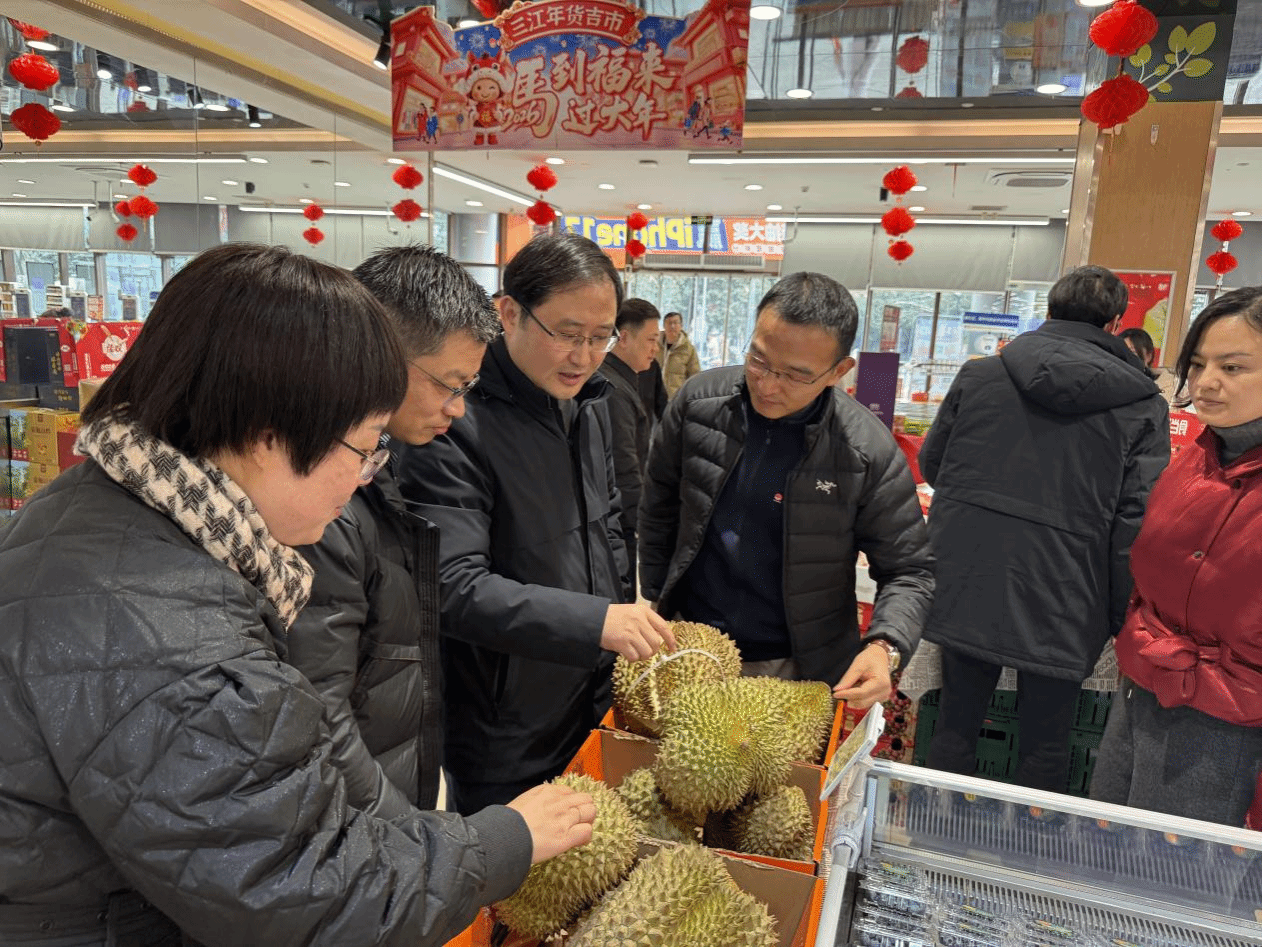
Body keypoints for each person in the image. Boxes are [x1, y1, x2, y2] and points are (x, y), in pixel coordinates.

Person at [0, 243, 595, 947]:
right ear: (267, 436)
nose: (363, 478)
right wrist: (503, 840)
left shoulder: (94, 507)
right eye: (364, 447)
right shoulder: (176, 642)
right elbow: (307, 893)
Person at [400, 233, 675, 816]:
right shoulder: (453, 421)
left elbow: (609, 526)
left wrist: (619, 619)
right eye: (568, 334)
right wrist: (596, 621)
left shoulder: (590, 403)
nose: (584, 356)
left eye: (601, 338)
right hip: (504, 725)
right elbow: (451, 586)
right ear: (509, 313)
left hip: (591, 694)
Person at [918, 265, 1169, 793]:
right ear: (1115, 322)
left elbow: (934, 466)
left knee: (955, 725)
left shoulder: (981, 376)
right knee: (1047, 743)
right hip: (1069, 587)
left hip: (970, 569)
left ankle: (932, 827)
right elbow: (1135, 520)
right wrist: (1117, 611)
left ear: (1049, 310)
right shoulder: (1142, 405)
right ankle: (1031, 839)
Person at [638, 271, 933, 706]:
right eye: (758, 360)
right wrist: (658, 597)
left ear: (838, 372)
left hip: (796, 667)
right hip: (689, 645)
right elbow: (659, 503)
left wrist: (884, 647)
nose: (768, 385)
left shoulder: (866, 451)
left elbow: (910, 571)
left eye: (795, 376)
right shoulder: (698, 405)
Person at [286, 245, 500, 819]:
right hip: (361, 822)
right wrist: (412, 839)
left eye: (468, 387)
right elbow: (319, 717)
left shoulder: (383, 463)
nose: (458, 409)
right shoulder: (319, 501)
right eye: (450, 384)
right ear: (378, 351)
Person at [1091, 286, 1262, 825]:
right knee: (1102, 841)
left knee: (1176, 867)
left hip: (1230, 719)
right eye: (1198, 363)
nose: (1206, 381)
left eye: (1233, 367)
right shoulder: (1193, 459)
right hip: (1143, 686)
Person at [599, 298, 662, 586]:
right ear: (623, 338)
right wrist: (643, 523)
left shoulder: (622, 379)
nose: (655, 348)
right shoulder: (613, 388)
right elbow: (624, 463)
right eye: (651, 339)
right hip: (616, 520)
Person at [1119, 326, 1180, 402]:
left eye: (1132, 352)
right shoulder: (1113, 379)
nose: (1126, 357)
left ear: (1148, 356)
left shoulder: (1165, 384)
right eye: (1122, 352)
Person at [658, 310, 700, 398]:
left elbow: (695, 376)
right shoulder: (655, 345)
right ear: (664, 326)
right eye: (669, 323)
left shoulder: (688, 349)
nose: (672, 326)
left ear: (681, 326)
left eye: (675, 323)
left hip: (676, 398)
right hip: (654, 397)